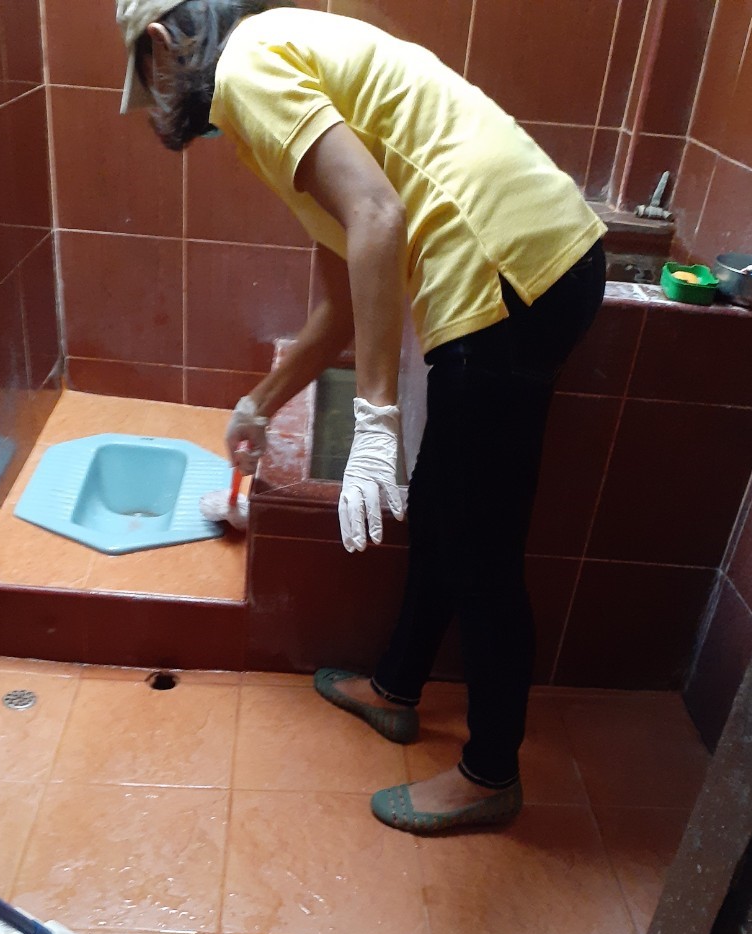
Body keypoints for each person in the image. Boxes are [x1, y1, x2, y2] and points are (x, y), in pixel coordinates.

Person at [115, 0, 607, 833]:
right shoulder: (281, 77)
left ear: (163, 44)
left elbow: (379, 215)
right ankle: (395, 689)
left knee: (481, 548)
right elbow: (342, 302)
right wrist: (260, 403)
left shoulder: (247, 68)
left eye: (146, 81)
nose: (156, 108)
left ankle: (491, 774)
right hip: (518, 273)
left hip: (505, 278)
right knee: (444, 509)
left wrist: (377, 423)